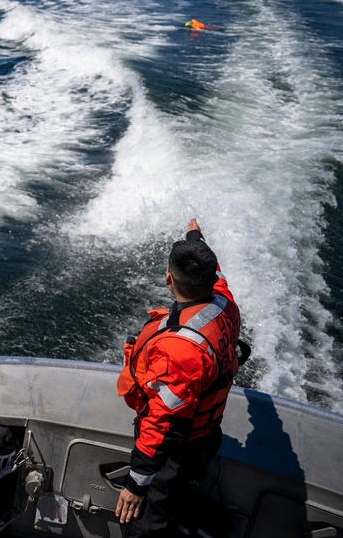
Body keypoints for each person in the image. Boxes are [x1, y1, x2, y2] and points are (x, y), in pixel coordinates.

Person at [115, 219, 247, 536]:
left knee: (147, 525)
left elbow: (165, 423)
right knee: (181, 496)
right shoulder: (224, 302)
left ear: (168, 279)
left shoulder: (181, 352)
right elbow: (218, 275)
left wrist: (137, 482)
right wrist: (195, 238)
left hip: (175, 453)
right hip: (206, 436)